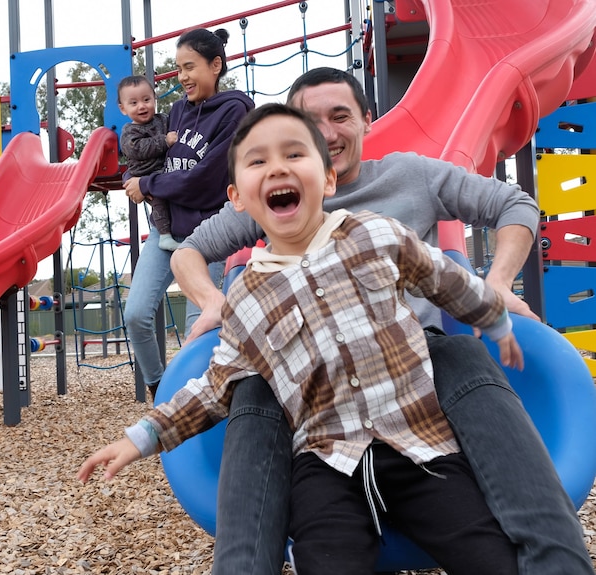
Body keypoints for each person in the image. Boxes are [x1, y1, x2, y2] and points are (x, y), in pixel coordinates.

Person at [170, 68, 593, 574]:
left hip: (412, 361)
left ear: (367, 121)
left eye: (340, 116)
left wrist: (497, 283)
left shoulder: (410, 175)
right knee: (253, 385)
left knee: (458, 352)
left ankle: (556, 561)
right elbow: (190, 251)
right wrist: (211, 299)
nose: (326, 132)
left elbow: (514, 203)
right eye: (309, 121)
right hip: (314, 387)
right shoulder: (282, 192)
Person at [80, 103, 523, 573]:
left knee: (490, 554)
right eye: (257, 161)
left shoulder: (377, 236)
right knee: (327, 559)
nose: (277, 168)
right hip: (327, 463)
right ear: (237, 198)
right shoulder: (248, 296)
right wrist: (142, 437)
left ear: (328, 180)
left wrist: (496, 319)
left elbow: (445, 281)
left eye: (294, 154)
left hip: (419, 444)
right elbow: (215, 387)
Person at [122, 28, 254, 400]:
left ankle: (196, 405)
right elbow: (152, 158)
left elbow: (208, 180)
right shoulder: (177, 110)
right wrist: (132, 176)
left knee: (199, 327)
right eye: (178, 68)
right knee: (136, 314)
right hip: (166, 230)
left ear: (215, 65)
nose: (182, 77)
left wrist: (148, 186)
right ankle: (161, 387)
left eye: (189, 67)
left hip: (210, 234)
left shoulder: (235, 111)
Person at [117, 75, 181, 251]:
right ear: (123, 109)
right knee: (158, 199)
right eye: (134, 103)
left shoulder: (163, 119)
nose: (142, 106)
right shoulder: (129, 131)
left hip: (164, 168)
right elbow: (137, 149)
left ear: (155, 98)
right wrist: (164, 141)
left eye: (146, 99)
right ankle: (165, 236)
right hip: (145, 173)